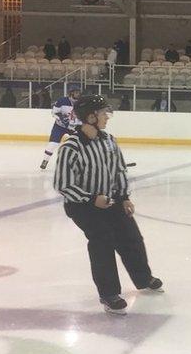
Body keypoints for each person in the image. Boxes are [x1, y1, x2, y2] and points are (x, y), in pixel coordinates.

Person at [53, 94, 163, 315]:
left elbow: (119, 170)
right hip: (82, 205)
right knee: (102, 239)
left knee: (130, 236)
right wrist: (92, 199)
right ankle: (109, 293)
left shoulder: (108, 140)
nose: (107, 118)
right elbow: (62, 184)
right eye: (104, 114)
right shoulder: (71, 146)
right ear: (91, 117)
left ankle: (143, 278)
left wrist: (124, 198)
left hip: (110, 200)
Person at [40, 86, 81, 170]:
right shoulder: (62, 101)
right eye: (76, 92)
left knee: (79, 144)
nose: (78, 94)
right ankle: (45, 160)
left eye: (79, 92)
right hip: (60, 126)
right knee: (53, 144)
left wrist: (78, 125)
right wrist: (61, 118)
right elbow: (54, 112)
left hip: (74, 127)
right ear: (71, 93)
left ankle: (78, 163)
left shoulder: (81, 103)